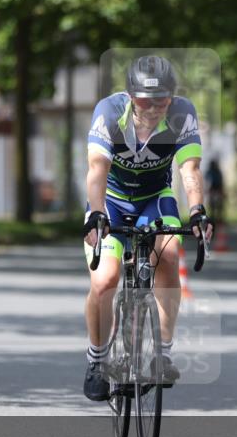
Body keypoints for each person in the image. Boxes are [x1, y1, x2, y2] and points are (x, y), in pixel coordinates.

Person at [81, 56, 213, 402]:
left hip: (155, 198)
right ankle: (97, 359)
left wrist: (197, 210)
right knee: (105, 281)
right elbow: (97, 168)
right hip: (111, 200)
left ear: (172, 97)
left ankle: (162, 354)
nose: (154, 108)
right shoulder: (109, 112)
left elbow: (189, 169)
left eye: (162, 101)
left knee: (168, 255)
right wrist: (96, 214)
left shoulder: (182, 113)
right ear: (130, 96)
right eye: (144, 101)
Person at [206, 158, 225, 225]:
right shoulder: (211, 172)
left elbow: (220, 182)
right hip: (213, 190)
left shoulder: (217, 172)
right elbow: (208, 181)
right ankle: (213, 219)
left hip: (217, 190)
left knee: (218, 206)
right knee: (213, 206)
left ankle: (218, 219)